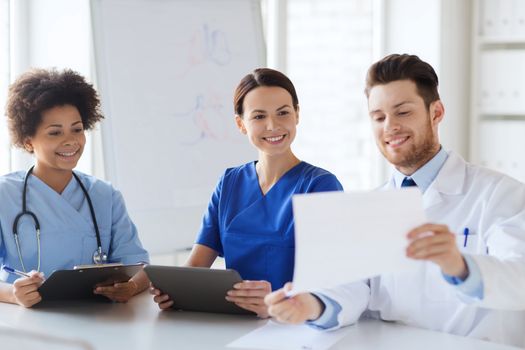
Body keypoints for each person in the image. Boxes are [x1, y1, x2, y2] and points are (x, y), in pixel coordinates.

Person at [265, 54, 525, 347]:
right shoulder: (372, 207)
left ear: (436, 112)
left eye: (402, 113)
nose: (389, 127)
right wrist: (311, 305)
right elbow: (353, 286)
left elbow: (520, 279)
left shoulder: (500, 195)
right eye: (379, 117)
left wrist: (460, 266)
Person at [151, 68, 343, 317]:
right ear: (241, 124)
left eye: (283, 113)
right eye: (259, 116)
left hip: (296, 326)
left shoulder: (321, 186)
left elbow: (331, 282)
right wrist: (173, 291)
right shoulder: (230, 182)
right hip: (234, 322)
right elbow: (197, 265)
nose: (272, 126)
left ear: (297, 114)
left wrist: (276, 302)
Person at [0, 68, 150, 307]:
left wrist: (130, 287)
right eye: (55, 132)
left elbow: (139, 265)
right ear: (28, 141)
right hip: (29, 324)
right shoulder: (4, 195)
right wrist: (12, 295)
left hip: (98, 320)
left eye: (77, 129)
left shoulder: (105, 195)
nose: (71, 140)